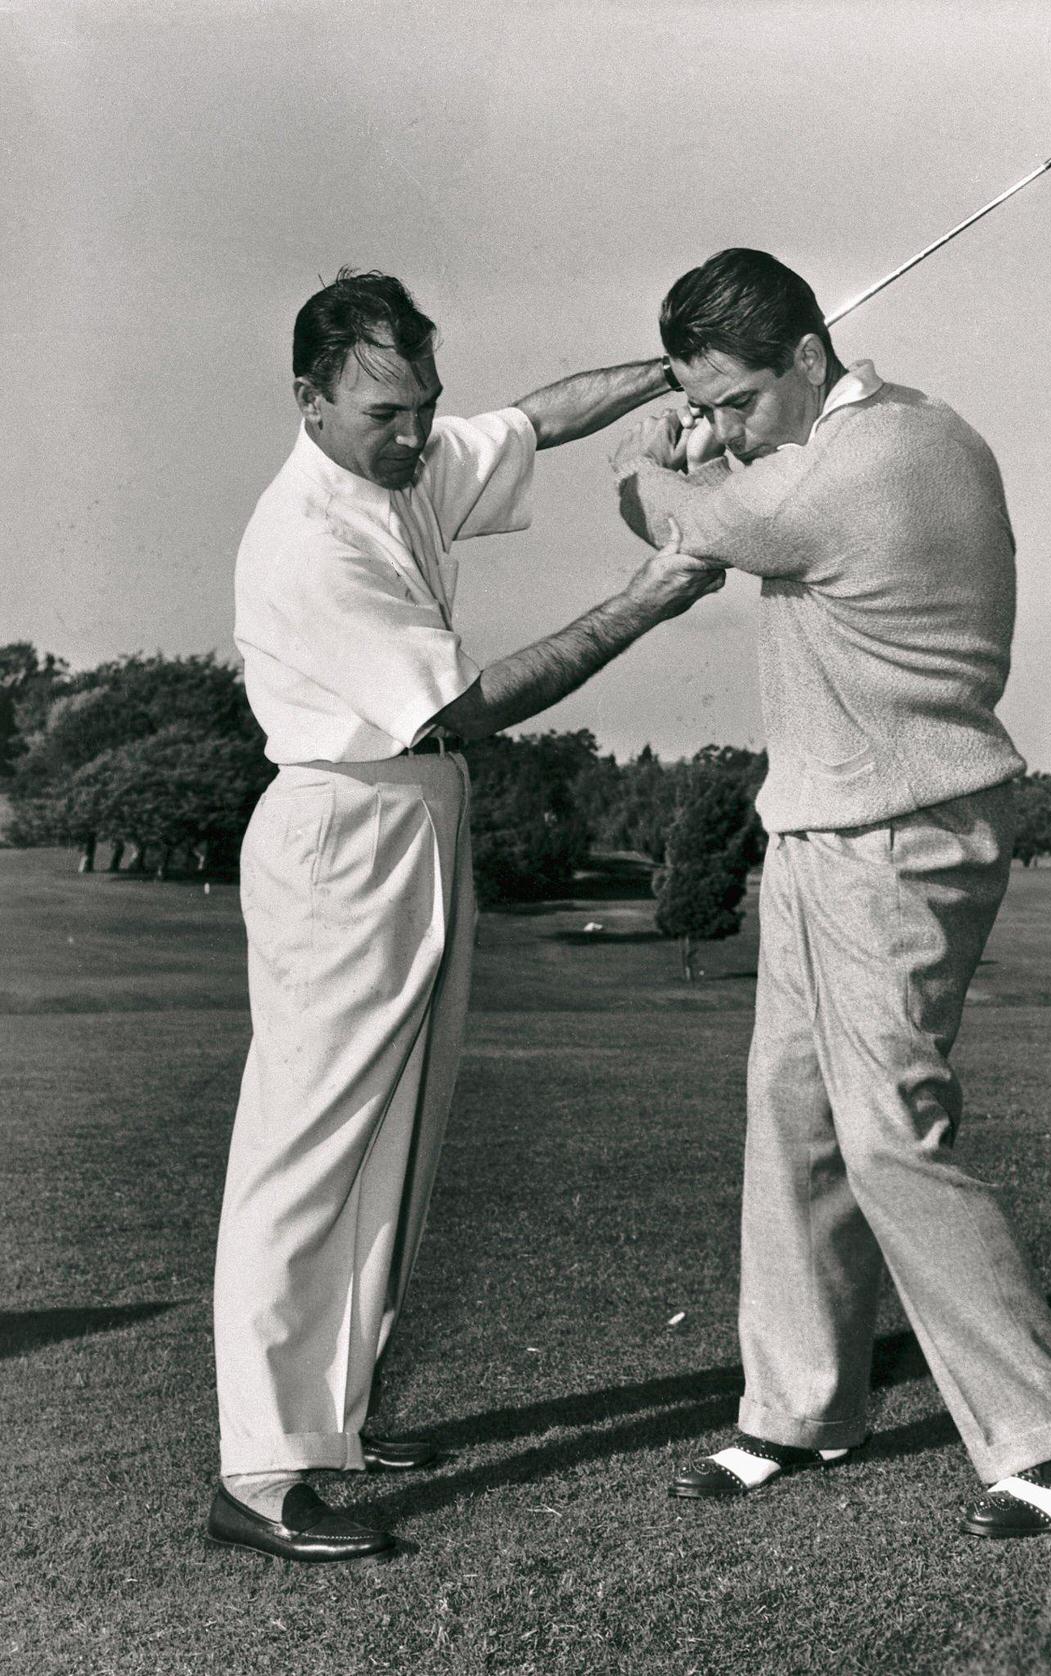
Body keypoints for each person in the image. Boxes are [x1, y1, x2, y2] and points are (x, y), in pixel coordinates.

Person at [208, 270, 723, 1565]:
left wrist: (675, 371)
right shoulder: (309, 536)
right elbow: (476, 700)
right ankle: (262, 1471)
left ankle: (338, 1422)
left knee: (402, 1137)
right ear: (310, 401)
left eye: (425, 404)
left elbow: (539, 417)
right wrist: (647, 597)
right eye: (386, 412)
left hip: (418, 811)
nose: (417, 432)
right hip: (344, 821)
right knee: (308, 1145)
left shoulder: (404, 468)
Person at [611, 248, 1051, 1538]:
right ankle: (800, 1409)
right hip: (825, 825)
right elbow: (747, 490)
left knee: (891, 1131)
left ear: (806, 353)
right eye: (707, 407)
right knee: (791, 1114)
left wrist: (656, 454)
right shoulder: (914, 428)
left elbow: (674, 515)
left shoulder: (858, 467)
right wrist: (725, 440)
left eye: (739, 401)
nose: (730, 429)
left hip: (896, 830)